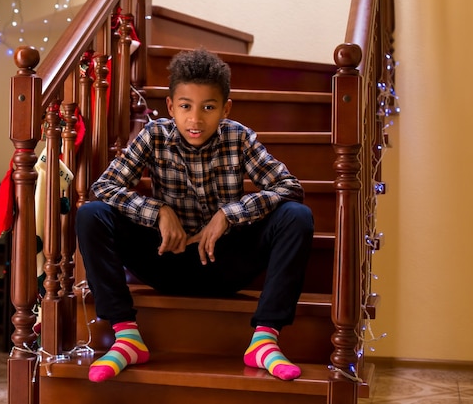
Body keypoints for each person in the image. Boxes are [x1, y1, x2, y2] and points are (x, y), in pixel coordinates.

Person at [75, 48, 314, 383]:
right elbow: (105, 188)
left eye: (209, 107)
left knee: (296, 216)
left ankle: (264, 340)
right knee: (91, 214)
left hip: (225, 263)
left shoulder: (239, 137)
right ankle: (126, 337)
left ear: (225, 109)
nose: (196, 119)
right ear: (171, 106)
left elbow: (289, 187)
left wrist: (229, 215)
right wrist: (158, 211)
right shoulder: (155, 134)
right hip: (165, 260)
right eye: (186, 106)